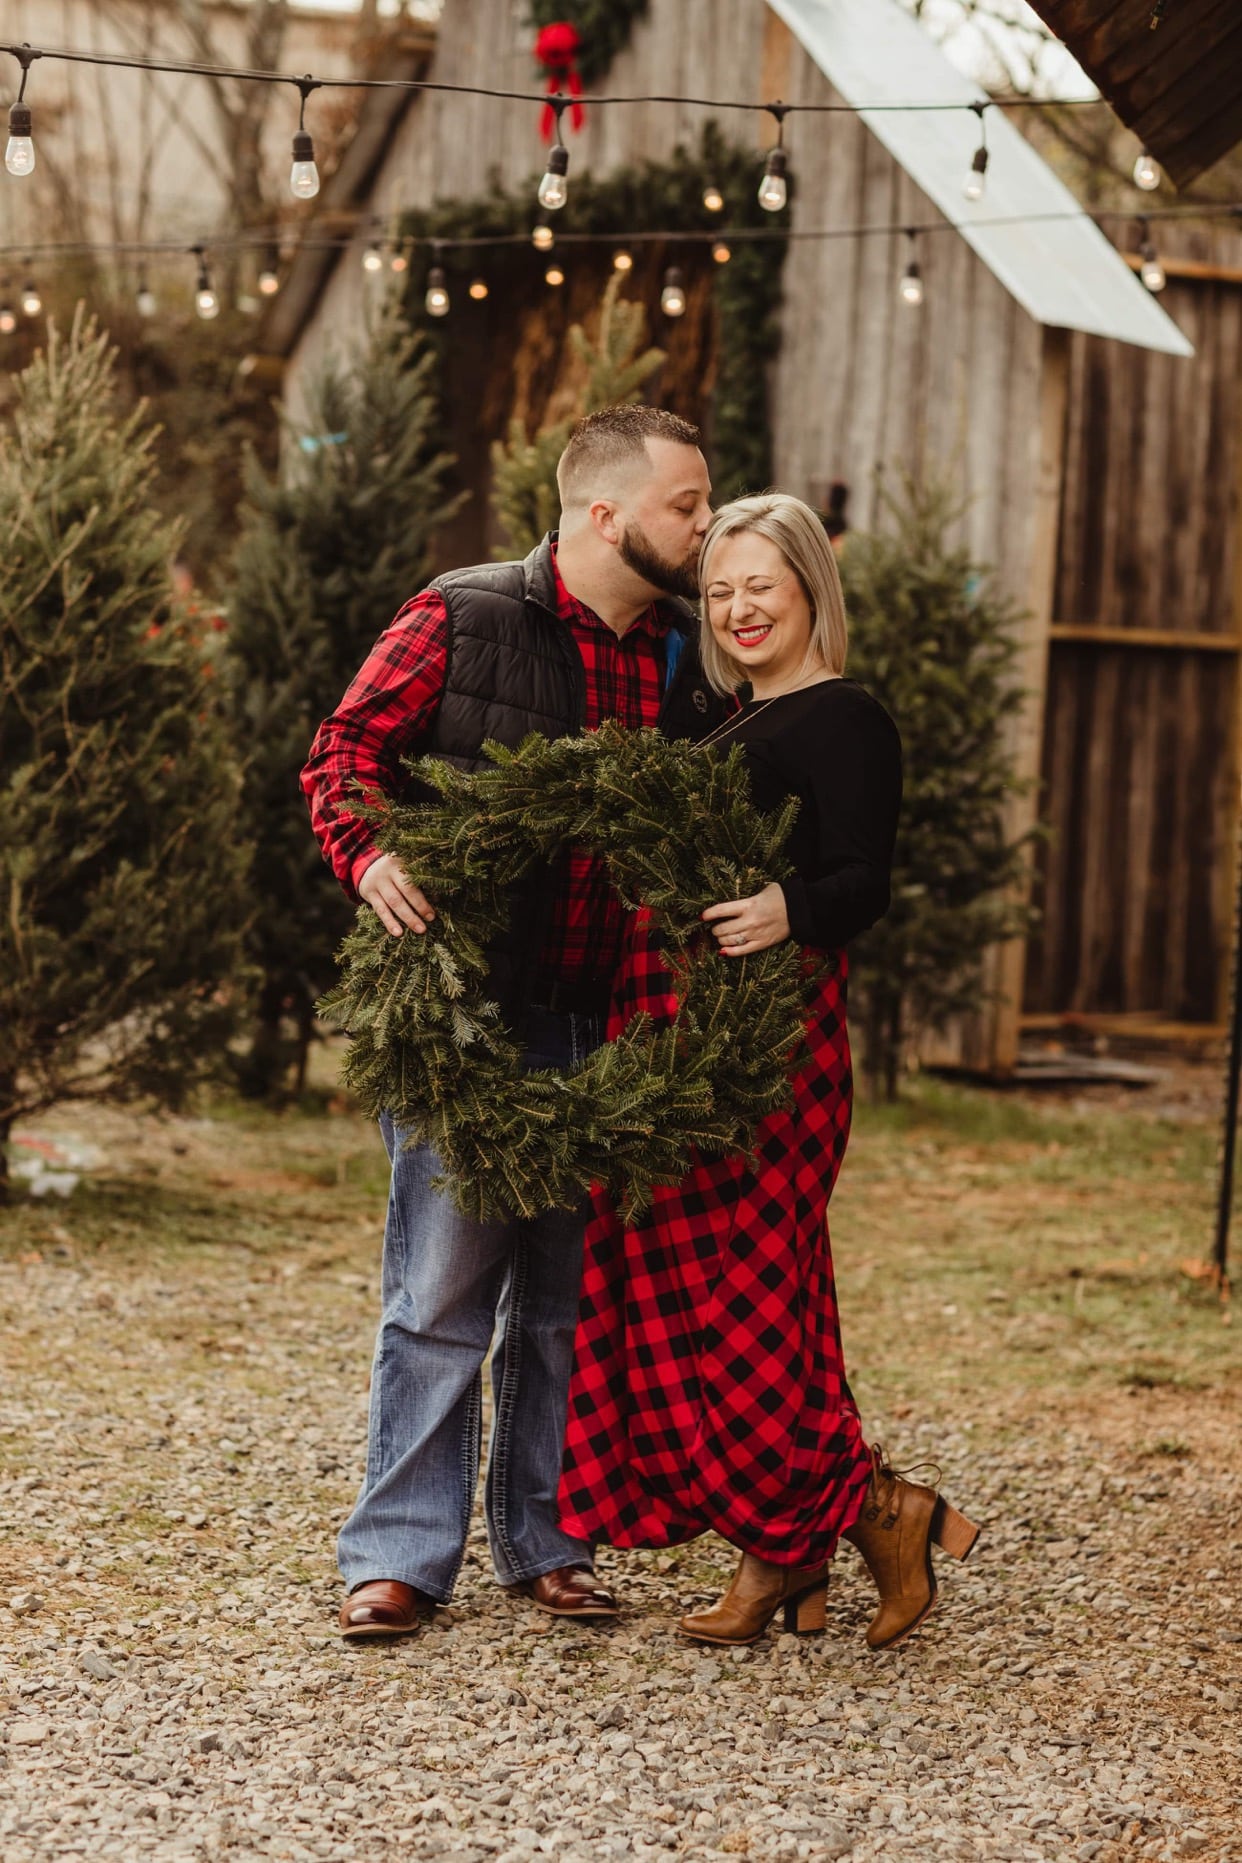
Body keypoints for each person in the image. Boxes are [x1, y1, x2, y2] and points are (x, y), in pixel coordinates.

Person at [301, 406, 730, 1639]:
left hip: (617, 1025)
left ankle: (550, 1540)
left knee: (567, 1304)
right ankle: (397, 1557)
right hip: (470, 1023)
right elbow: (342, 754)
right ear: (606, 515)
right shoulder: (465, 613)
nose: (704, 527)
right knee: (437, 1297)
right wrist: (370, 856)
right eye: (686, 505)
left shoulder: (684, 659)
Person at [557, 492, 979, 1649]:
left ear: (809, 591)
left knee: (747, 1301)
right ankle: (783, 1554)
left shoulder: (846, 719)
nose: (740, 609)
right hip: (677, 1047)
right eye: (722, 590)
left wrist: (787, 906)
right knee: (708, 1305)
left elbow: (863, 882)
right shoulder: (720, 724)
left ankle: (875, 1516)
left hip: (773, 1050)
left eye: (762, 586)